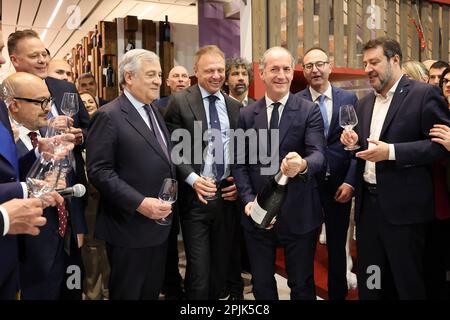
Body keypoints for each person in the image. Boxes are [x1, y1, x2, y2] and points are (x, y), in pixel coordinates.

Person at [340, 37, 450, 299]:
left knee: (407, 285)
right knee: (373, 281)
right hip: (369, 213)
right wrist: (354, 143)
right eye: (365, 63)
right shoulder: (364, 103)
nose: (368, 68)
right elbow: (366, 148)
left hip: (405, 214)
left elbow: (439, 147)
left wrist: (390, 152)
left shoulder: (424, 94)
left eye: (374, 62)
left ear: (395, 60)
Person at [233, 46, 326, 300]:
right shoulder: (246, 114)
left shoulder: (309, 110)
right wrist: (249, 200)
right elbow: (239, 163)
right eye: (274, 69)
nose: (281, 75)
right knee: (262, 284)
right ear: (262, 73)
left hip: (299, 211)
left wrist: (303, 164)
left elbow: (318, 154)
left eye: (286, 69)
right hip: (258, 212)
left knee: (301, 284)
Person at [87, 49, 175, 300]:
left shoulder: (154, 111)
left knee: (150, 291)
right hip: (128, 227)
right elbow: (99, 171)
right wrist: (139, 203)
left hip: (158, 224)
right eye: (151, 74)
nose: (158, 80)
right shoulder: (108, 115)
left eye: (159, 74)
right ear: (129, 77)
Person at [8, 29, 90, 299]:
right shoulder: (7, 114)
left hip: (68, 204)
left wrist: (78, 138)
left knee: (71, 283)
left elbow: (86, 134)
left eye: (45, 53)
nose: (43, 60)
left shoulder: (64, 88)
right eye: (35, 55)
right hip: (28, 223)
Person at [165, 45, 241, 300]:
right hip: (195, 198)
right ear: (196, 71)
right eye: (210, 70)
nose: (217, 76)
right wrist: (194, 180)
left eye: (220, 70)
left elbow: (240, 151)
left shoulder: (234, 106)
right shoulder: (179, 102)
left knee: (220, 269)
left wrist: (239, 183)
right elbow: (174, 150)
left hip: (226, 198)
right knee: (198, 271)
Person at [296, 47, 357, 300]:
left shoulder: (349, 99)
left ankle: (338, 295)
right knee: (305, 246)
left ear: (330, 66)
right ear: (304, 71)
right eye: (309, 66)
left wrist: (350, 182)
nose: (315, 70)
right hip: (306, 185)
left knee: (336, 246)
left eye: (320, 64)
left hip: (339, 186)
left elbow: (357, 146)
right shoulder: (296, 102)